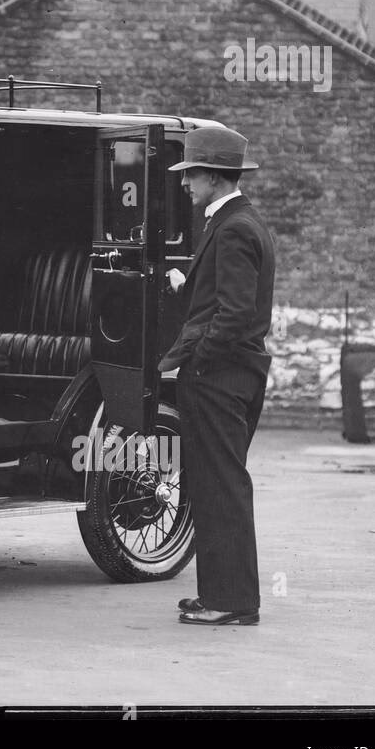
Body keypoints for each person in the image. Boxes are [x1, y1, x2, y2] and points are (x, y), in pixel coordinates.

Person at [158, 126, 275, 627]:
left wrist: (197, 362)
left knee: (222, 485)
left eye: (190, 175)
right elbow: (226, 300)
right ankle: (222, 595)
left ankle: (230, 602)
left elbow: (235, 315)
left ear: (211, 175)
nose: (185, 184)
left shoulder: (231, 228)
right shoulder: (237, 222)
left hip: (220, 379)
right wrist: (190, 284)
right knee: (217, 484)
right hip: (232, 375)